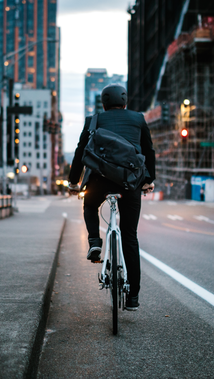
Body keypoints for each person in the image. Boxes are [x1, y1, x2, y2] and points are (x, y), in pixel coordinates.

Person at [68, 84, 156, 311]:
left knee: (89, 206)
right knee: (129, 237)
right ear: (125, 103)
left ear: (103, 105)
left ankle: (95, 243)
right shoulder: (138, 119)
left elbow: (80, 152)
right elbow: (148, 151)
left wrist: (73, 181)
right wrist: (148, 179)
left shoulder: (93, 121)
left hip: (99, 180)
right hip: (129, 183)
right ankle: (133, 298)